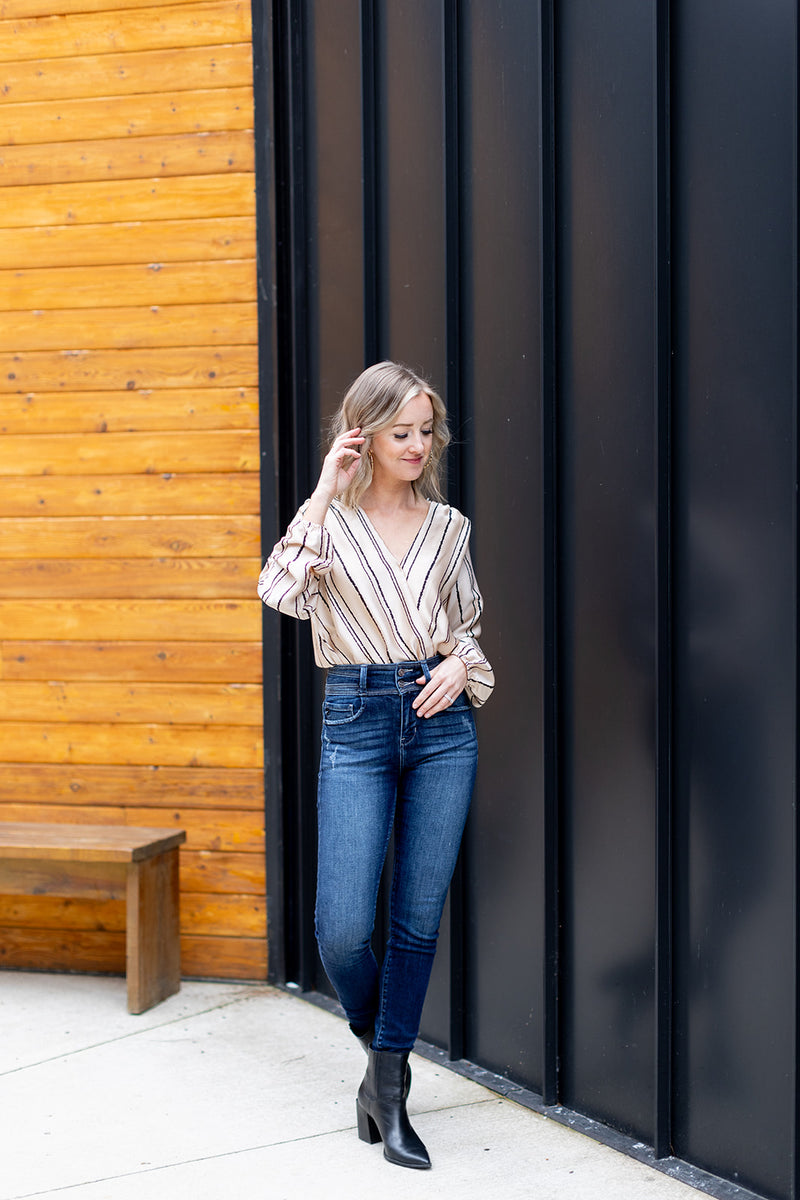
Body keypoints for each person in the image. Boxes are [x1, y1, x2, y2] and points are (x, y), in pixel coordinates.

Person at [258, 361, 494, 1169]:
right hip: (357, 717)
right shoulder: (329, 525)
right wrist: (326, 486)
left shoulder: (450, 526)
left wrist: (463, 663)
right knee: (344, 926)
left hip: (442, 724)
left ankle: (388, 1089)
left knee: (415, 920)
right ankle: (380, 1045)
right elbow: (281, 590)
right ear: (362, 433)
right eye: (401, 433)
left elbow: (465, 623)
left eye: (427, 431)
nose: (419, 446)